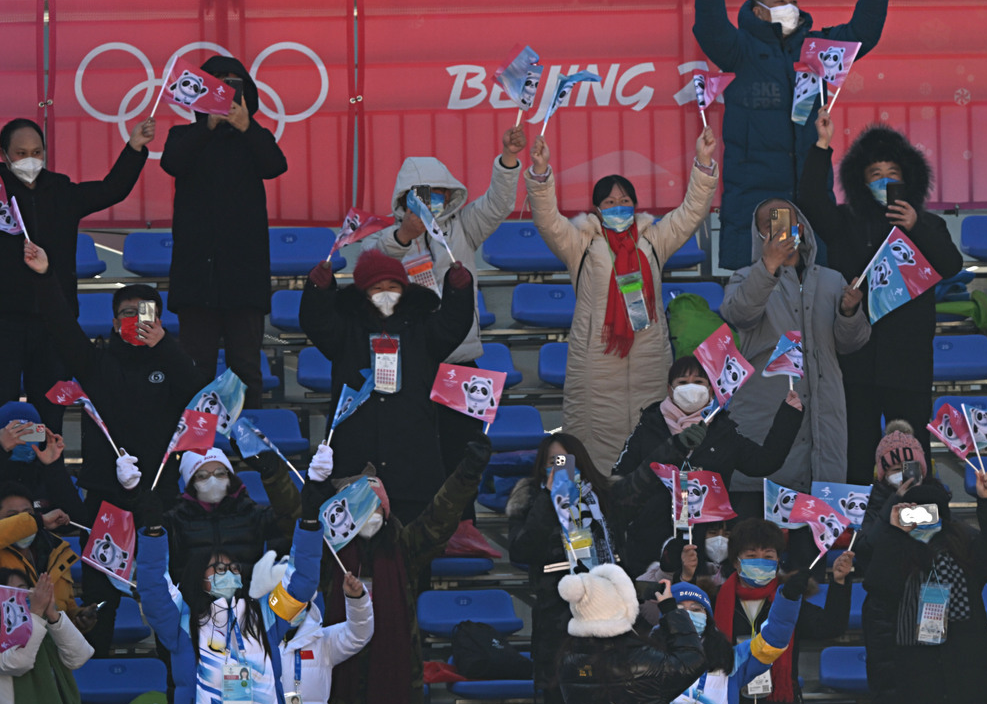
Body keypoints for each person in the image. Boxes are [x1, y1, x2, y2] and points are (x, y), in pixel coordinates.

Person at [24, 239, 209, 650]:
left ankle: (173, 674)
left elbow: (200, 396)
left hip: (160, 498)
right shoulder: (95, 364)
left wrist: (165, 346)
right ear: (112, 322)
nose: (136, 320)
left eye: (146, 314)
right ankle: (96, 669)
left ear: (159, 321)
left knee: (167, 595)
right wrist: (45, 276)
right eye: (127, 313)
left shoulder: (172, 361)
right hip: (105, 500)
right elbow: (60, 325)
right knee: (100, 599)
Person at [0, 103, 152, 447]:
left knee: (49, 417)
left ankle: (47, 478)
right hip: (1, 323)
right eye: (21, 153)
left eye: (36, 152)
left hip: (55, 326)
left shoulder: (62, 191)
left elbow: (112, 189)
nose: (30, 159)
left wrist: (135, 147)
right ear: (3, 155)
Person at [526, 127, 719, 467]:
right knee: (593, 449)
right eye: (610, 202)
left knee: (650, 445)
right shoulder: (581, 244)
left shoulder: (653, 240)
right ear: (597, 209)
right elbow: (547, 221)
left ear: (635, 205)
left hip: (649, 360)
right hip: (596, 361)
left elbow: (691, 212)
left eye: (625, 201)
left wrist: (703, 164)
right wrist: (540, 174)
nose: (619, 207)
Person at [690, 0, 893, 269]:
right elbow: (711, 30)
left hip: (809, 190)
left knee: (814, 278)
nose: (791, 6)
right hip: (756, 190)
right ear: (758, 11)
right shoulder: (740, 50)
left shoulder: (816, 48)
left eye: (794, 0)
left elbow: (861, 35)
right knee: (763, 282)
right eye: (781, 1)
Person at [371, 126, 524, 524]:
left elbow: (498, 203)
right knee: (416, 452)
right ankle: (416, 527)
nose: (429, 203)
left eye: (437, 194)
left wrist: (508, 160)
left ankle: (465, 525)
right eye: (420, 196)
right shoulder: (387, 240)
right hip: (411, 369)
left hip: (460, 361)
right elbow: (373, 264)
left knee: (464, 452)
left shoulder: (463, 228)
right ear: (404, 200)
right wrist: (405, 235)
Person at [799, 113, 964, 475]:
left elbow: (951, 265)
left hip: (909, 365)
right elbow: (809, 199)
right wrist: (822, 146)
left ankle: (916, 509)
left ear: (908, 179)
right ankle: (862, 512)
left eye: (893, 173)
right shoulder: (845, 222)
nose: (884, 181)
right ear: (860, 182)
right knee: (858, 455)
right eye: (875, 174)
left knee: (912, 454)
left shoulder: (929, 224)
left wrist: (915, 227)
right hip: (857, 362)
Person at [134, 445, 323, 704]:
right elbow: (153, 589)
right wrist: (151, 533)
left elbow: (302, 584)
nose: (229, 573)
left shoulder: (267, 615)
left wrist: (308, 524)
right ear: (200, 577)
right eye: (219, 569)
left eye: (234, 568)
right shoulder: (182, 624)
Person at [320, 438, 490, 704]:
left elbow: (440, 516)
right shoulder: (328, 555)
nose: (370, 515)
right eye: (362, 508)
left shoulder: (404, 547)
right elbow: (293, 519)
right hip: (339, 692)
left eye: (376, 507)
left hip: (395, 689)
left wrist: (468, 473)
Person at [300, 249, 475, 521]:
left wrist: (459, 290)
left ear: (404, 290)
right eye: (377, 288)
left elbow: (453, 324)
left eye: (393, 287)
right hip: (355, 461)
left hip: (414, 461)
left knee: (414, 537)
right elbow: (316, 322)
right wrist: (318, 289)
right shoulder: (346, 329)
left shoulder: (422, 327)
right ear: (363, 293)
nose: (386, 293)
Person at [509, 433, 667, 704]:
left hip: (608, 625)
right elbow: (521, 549)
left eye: (565, 461)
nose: (560, 468)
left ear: (580, 462)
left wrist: (676, 446)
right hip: (557, 625)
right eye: (552, 462)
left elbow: (643, 480)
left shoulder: (605, 497)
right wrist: (549, 498)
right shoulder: (530, 500)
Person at [161, 55, 288, 410]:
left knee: (245, 368)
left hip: (244, 275)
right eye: (217, 84)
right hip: (196, 275)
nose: (226, 91)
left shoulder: (255, 138)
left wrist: (247, 127)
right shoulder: (184, 135)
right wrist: (208, 124)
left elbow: (275, 165)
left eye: (233, 85)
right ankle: (192, 441)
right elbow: (172, 162)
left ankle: (249, 442)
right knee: (194, 367)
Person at [720, 200, 869, 502]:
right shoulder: (745, 277)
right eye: (770, 224)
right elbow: (739, 314)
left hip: (823, 416)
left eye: (788, 221)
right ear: (759, 236)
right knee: (764, 515)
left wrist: (849, 313)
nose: (781, 229)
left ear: (801, 228)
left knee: (819, 516)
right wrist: (768, 267)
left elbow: (851, 343)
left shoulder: (831, 280)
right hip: (766, 414)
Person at [613, 355, 804, 572]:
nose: (691, 388)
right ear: (670, 390)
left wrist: (789, 417)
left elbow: (763, 462)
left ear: (711, 390)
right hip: (651, 544)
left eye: (698, 382)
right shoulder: (648, 427)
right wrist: (673, 448)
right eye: (682, 383)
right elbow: (621, 483)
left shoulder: (723, 432)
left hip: (707, 547)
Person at [857, 467, 987, 704]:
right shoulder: (896, 551)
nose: (921, 518)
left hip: (969, 680)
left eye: (929, 511)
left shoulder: (963, 552)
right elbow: (879, 585)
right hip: (916, 688)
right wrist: (893, 530)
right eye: (913, 512)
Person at [0, 481, 89, 704]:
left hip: (52, 693)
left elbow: (63, 613)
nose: (24, 522)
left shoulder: (56, 551)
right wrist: (36, 521)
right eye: (13, 517)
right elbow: (18, 662)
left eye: (28, 514)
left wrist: (74, 617)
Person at [713, 518, 853, 704]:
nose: (760, 561)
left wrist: (840, 581)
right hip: (729, 702)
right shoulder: (715, 601)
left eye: (768, 556)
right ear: (735, 561)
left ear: (778, 560)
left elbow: (831, 626)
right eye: (751, 556)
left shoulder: (789, 599)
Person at [555, 564, 706, 704]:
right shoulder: (643, 661)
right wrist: (670, 608)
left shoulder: (568, 662)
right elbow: (693, 659)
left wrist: (594, 593)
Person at [147, 447, 300, 589]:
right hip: (191, 604)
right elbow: (149, 560)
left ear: (230, 477)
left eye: (220, 473)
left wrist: (274, 475)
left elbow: (293, 525)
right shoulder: (175, 520)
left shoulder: (251, 513)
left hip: (246, 601)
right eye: (202, 476)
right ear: (191, 482)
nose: (213, 480)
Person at [250, 549, 372, 704]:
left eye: (298, 600)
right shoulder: (248, 642)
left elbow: (358, 634)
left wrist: (357, 600)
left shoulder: (320, 640)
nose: (292, 606)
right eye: (286, 600)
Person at [661, 576, 805, 704]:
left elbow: (772, 641)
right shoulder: (650, 658)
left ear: (707, 618)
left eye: (696, 609)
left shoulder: (730, 659)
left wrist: (787, 600)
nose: (688, 615)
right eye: (679, 609)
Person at [0, 569, 92, 704]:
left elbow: (79, 657)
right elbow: (17, 662)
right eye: (11, 593)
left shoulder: (44, 625)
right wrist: (36, 613)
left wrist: (53, 615)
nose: (20, 598)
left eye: (23, 590)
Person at [0, 402, 85, 525]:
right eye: (16, 432)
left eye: (31, 432)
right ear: (0, 436)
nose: (23, 439)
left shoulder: (45, 472)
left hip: (38, 544)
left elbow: (77, 519)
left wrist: (53, 466)